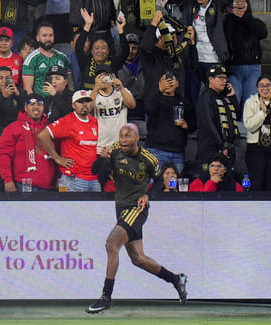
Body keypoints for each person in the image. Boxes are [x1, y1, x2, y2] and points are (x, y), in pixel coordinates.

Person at [85, 123, 187, 313]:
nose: (123, 140)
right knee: (138, 259)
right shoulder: (114, 150)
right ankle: (175, 279)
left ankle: (106, 297)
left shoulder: (149, 159)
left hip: (137, 208)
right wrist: (103, 159)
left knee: (111, 244)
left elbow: (159, 180)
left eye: (127, 136)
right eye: (121, 136)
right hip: (121, 208)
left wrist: (148, 195)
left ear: (137, 138)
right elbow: (95, 171)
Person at [37, 90, 101, 192]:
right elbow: (43, 135)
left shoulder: (94, 121)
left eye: (87, 101)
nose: (84, 104)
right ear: (73, 105)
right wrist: (57, 157)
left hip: (93, 178)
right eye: (80, 101)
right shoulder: (68, 121)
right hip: (73, 179)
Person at [0, 94, 56, 192]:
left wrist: (58, 177)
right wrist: (7, 179)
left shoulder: (51, 129)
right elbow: (3, 155)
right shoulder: (14, 128)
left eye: (39, 105)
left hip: (48, 186)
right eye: (32, 104)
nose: (36, 107)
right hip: (22, 185)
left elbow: (57, 154)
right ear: (25, 108)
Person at [145, 72, 195, 174]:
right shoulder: (154, 99)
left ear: (177, 84)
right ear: (160, 83)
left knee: (173, 184)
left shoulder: (184, 102)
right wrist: (159, 91)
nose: (168, 83)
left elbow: (194, 124)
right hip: (156, 151)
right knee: (154, 183)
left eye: (171, 82)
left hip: (177, 154)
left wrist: (187, 126)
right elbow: (149, 109)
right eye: (165, 81)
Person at [182, 0, 229, 106]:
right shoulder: (190, 7)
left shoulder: (219, 5)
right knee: (192, 98)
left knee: (215, 98)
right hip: (195, 59)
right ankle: (193, 122)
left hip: (214, 59)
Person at [139, 10, 195, 99]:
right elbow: (144, 47)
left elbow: (192, 65)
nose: (175, 40)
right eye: (171, 38)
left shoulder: (177, 54)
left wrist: (192, 43)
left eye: (175, 37)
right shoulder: (151, 55)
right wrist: (154, 23)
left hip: (177, 102)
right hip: (156, 103)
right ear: (160, 38)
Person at [195, 64, 242, 169]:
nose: (224, 81)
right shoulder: (206, 97)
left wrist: (233, 97)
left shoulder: (225, 97)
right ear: (210, 79)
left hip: (228, 148)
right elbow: (209, 123)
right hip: (211, 149)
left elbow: (237, 116)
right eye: (220, 78)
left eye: (225, 78)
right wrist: (221, 145)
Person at [224, 0, 267, 107]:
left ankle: (245, 124)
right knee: (234, 100)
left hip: (253, 67)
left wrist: (246, 17)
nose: (240, 7)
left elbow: (263, 33)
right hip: (233, 67)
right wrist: (232, 16)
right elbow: (225, 34)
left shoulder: (253, 22)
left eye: (242, 4)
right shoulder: (227, 21)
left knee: (249, 104)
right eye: (237, 4)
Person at [75, 8, 128, 90]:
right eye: (96, 48)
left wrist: (120, 30)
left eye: (103, 48)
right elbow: (78, 47)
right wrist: (87, 25)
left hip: (109, 100)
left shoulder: (113, 63)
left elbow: (125, 51)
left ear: (108, 51)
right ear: (91, 51)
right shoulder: (85, 62)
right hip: (89, 99)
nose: (100, 51)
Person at [90, 64, 135, 154]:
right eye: (100, 77)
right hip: (100, 148)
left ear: (112, 77)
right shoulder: (92, 94)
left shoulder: (121, 92)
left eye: (106, 77)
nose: (104, 80)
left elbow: (132, 105)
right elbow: (87, 109)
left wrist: (121, 87)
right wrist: (96, 88)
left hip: (120, 146)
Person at [22, 21, 74, 97]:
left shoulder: (63, 57)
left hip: (61, 102)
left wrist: (70, 100)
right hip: (41, 102)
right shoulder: (31, 59)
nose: (48, 38)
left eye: (51, 35)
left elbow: (70, 84)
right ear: (37, 38)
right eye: (44, 35)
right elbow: (28, 89)